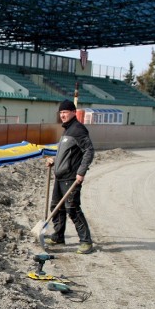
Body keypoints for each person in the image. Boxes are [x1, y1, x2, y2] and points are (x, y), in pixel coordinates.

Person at [45, 99, 95, 254]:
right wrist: (54, 159)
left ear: (73, 112)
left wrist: (81, 172)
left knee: (72, 208)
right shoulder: (67, 129)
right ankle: (58, 236)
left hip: (71, 177)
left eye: (65, 112)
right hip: (60, 176)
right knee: (56, 207)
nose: (63, 115)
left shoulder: (78, 129)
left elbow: (89, 151)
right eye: (61, 112)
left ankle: (86, 242)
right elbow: (66, 151)